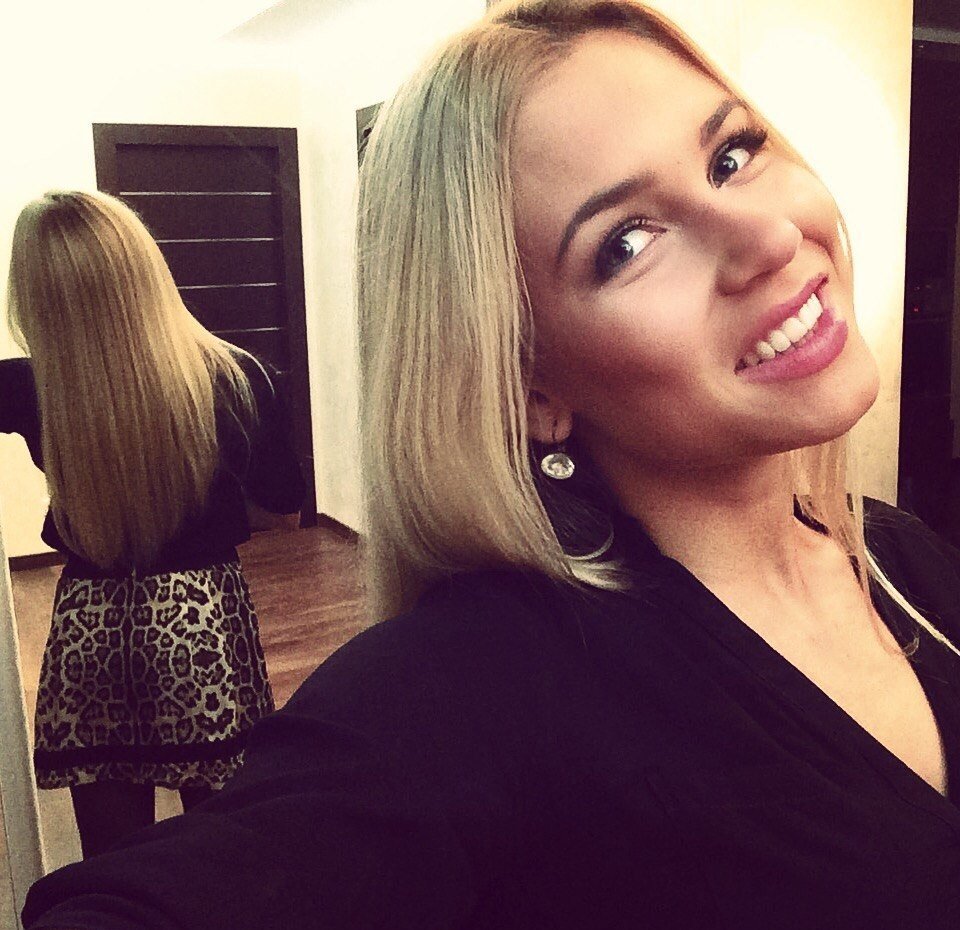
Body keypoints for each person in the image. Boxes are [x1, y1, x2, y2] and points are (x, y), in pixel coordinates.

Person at [21, 1, 960, 927]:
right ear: (530, 383)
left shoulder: (900, 556)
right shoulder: (489, 686)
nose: (769, 239)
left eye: (732, 155)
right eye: (626, 243)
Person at [1, 190, 305, 859]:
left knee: (114, 861)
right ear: (146, 268)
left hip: (89, 628)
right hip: (198, 623)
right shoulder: (237, 376)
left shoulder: (29, 385)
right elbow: (285, 503)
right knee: (220, 846)